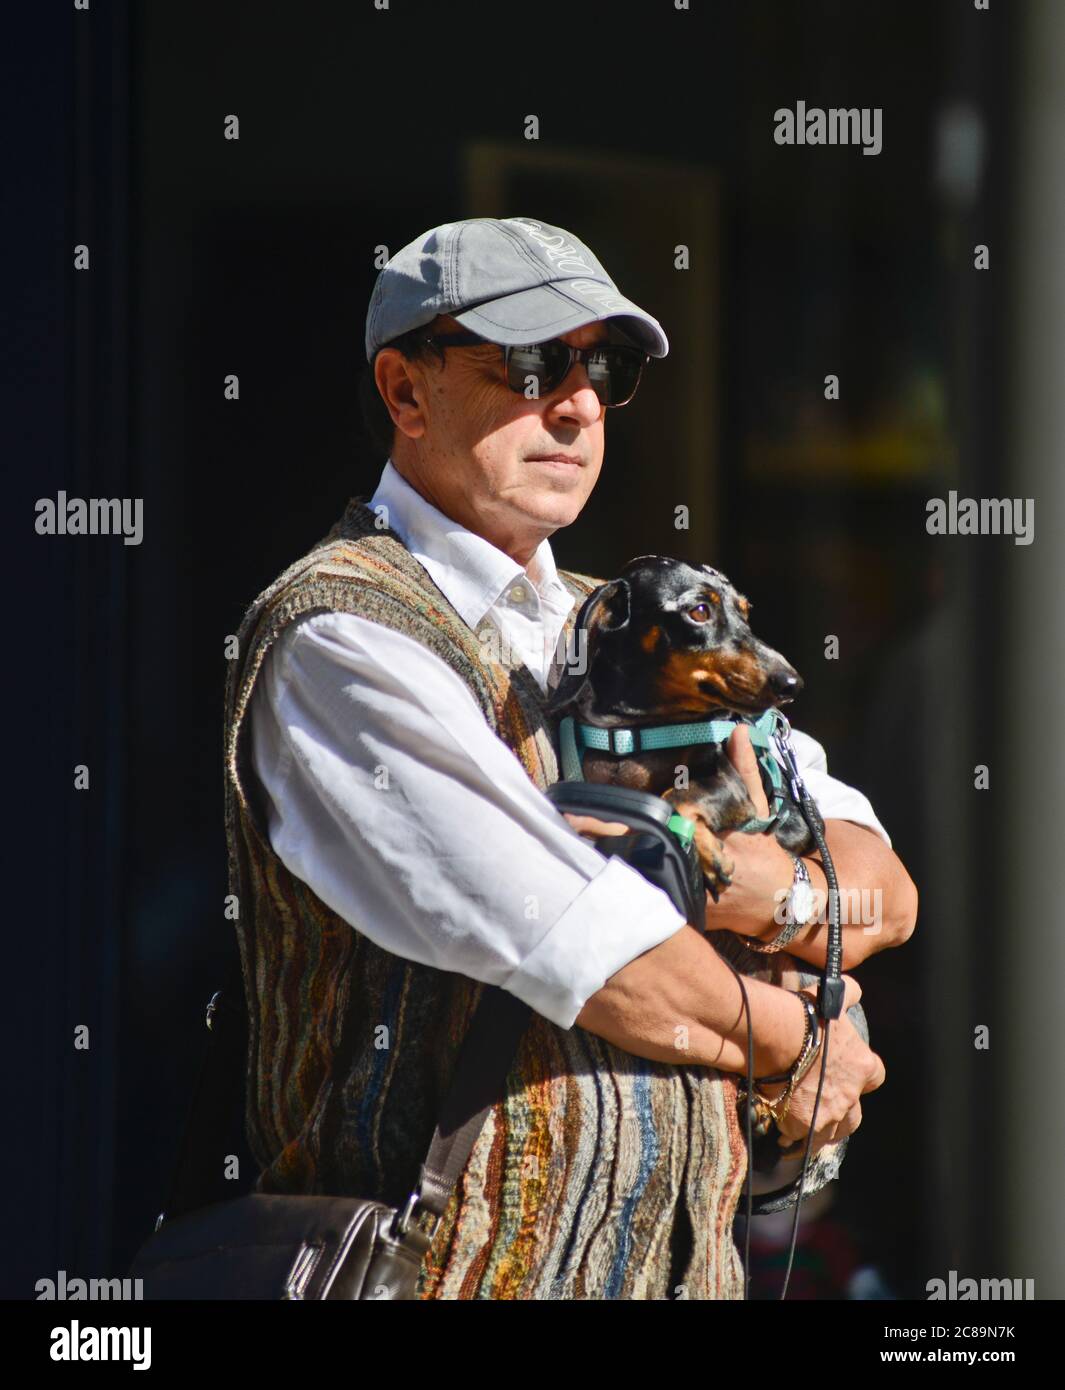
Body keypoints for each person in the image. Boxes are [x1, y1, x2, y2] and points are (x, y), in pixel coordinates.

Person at [222, 216, 918, 1300]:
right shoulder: (342, 636)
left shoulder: (644, 618)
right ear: (406, 392)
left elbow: (885, 894)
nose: (582, 401)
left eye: (607, 366)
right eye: (535, 361)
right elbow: (595, 952)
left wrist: (734, 884)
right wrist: (808, 1035)